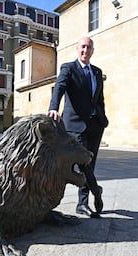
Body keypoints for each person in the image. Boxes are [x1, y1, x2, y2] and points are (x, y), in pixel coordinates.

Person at [48, 36, 108, 218]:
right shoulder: (69, 68)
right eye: (82, 47)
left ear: (92, 51)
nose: (85, 50)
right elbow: (59, 87)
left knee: (91, 163)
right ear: (77, 49)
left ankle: (83, 204)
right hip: (75, 124)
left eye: (89, 48)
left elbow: (99, 99)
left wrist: (103, 117)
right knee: (83, 163)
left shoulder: (97, 72)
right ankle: (96, 190)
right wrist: (53, 108)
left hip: (95, 125)